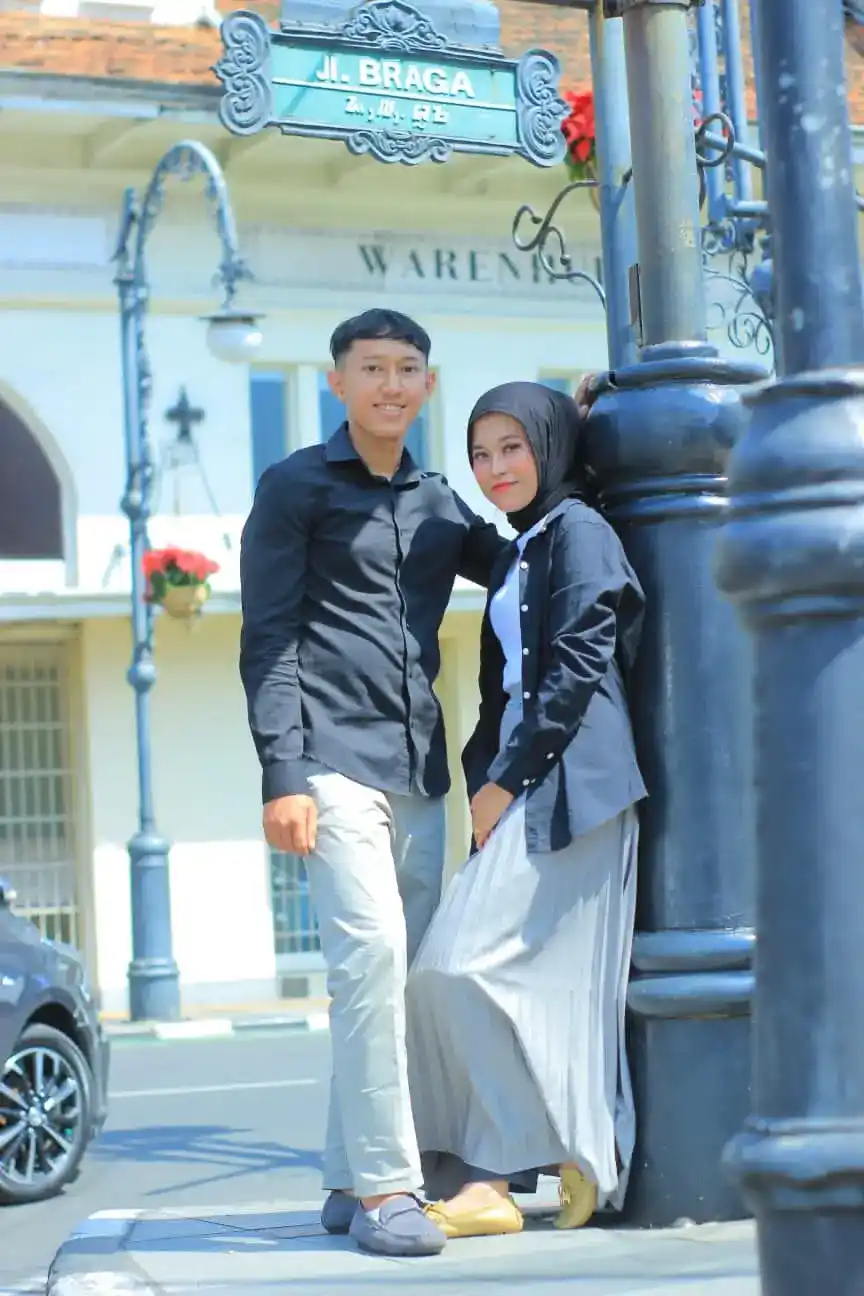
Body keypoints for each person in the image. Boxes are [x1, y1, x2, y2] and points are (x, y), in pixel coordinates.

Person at [239, 308, 513, 1258]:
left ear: (427, 387)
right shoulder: (294, 488)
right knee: (367, 960)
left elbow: (519, 563)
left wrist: (580, 464)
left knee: (401, 976)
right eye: (372, 369)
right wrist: (282, 772)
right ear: (338, 383)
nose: (390, 385)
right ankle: (390, 1190)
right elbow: (268, 638)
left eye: (406, 370)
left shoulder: (439, 502)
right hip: (329, 759)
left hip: (420, 768)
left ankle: (344, 1173)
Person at [405, 380, 647, 1239]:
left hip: (574, 787)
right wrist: (488, 782)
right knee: (446, 977)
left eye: (512, 447)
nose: (495, 468)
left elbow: (578, 662)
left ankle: (514, 1171)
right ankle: (509, 1170)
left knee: (470, 970)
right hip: (519, 788)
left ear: (549, 446)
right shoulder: (521, 548)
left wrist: (504, 782)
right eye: (480, 453)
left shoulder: (580, 531)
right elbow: (500, 687)